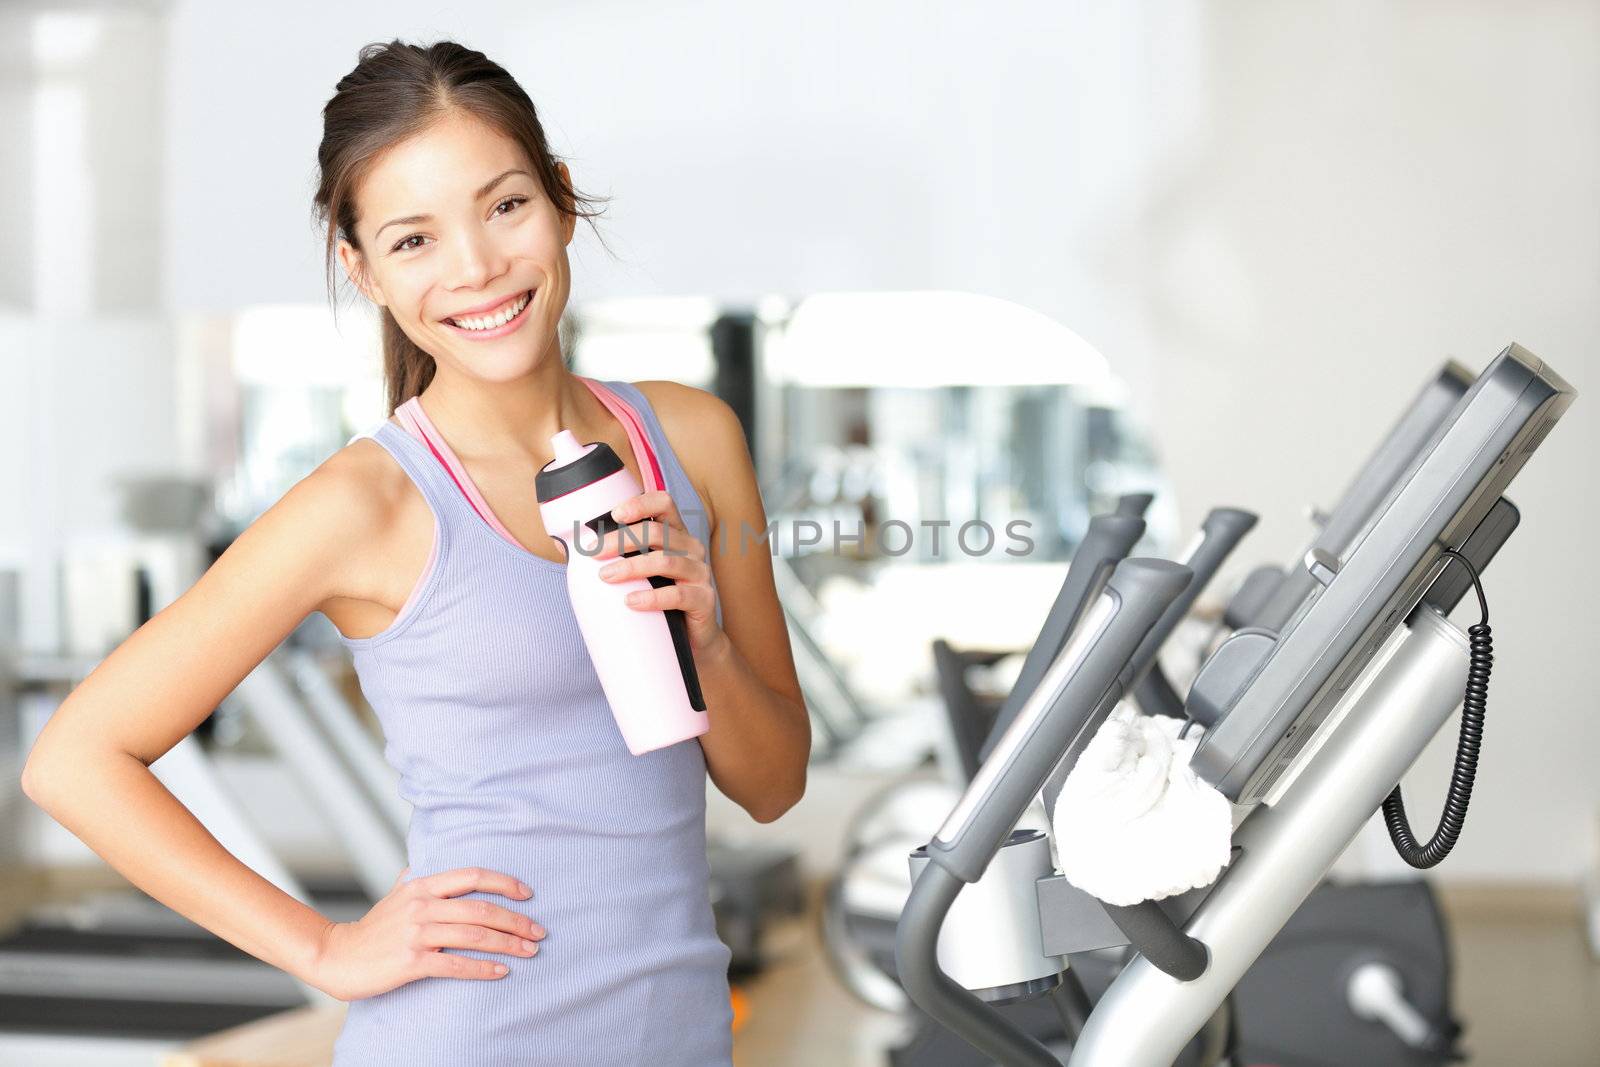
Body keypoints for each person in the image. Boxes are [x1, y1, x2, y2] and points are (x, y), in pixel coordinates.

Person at [21, 38, 809, 1066]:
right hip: (469, 1034)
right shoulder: (365, 503)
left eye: (505, 206)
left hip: (679, 1033)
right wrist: (324, 945)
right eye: (413, 240)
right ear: (362, 268)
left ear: (561, 198)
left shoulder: (693, 439)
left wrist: (702, 642)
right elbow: (75, 758)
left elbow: (774, 782)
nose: (476, 267)